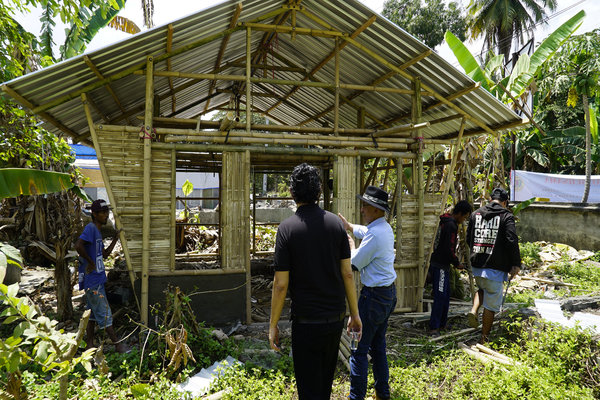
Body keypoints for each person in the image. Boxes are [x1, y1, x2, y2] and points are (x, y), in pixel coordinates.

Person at [269, 163, 362, 400]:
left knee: (308, 389)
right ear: (319, 192)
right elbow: (347, 273)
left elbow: (280, 285)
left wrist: (273, 324)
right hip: (334, 320)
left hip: (306, 322)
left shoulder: (286, 230)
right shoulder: (336, 226)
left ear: (292, 193)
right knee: (324, 385)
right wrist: (355, 313)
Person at [338, 186, 397, 400]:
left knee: (359, 350)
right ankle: (383, 392)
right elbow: (366, 231)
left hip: (373, 299)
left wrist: (351, 245)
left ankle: (356, 397)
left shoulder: (377, 235)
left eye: (365, 206)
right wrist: (350, 227)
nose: (362, 209)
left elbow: (354, 263)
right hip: (387, 295)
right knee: (378, 346)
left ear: (375, 209)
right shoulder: (384, 229)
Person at [466, 188, 521, 343]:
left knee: (483, 289)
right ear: (504, 202)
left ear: (490, 199)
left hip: (477, 266)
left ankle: (474, 310)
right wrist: (516, 263)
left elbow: (468, 238)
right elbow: (511, 240)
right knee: (491, 306)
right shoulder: (506, 216)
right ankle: (484, 339)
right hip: (495, 268)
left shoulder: (475, 214)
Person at [75, 199, 128, 353]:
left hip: (96, 279)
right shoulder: (91, 228)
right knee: (105, 313)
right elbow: (78, 245)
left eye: (107, 212)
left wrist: (115, 239)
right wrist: (90, 263)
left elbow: (104, 255)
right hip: (93, 281)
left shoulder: (97, 232)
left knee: (92, 315)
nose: (106, 215)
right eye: (103, 213)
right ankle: (118, 345)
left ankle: (90, 344)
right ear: (94, 214)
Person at [429, 200, 472, 336]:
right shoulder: (451, 225)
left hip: (441, 264)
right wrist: (456, 262)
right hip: (441, 265)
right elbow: (448, 248)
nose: (463, 220)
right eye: (464, 217)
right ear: (459, 213)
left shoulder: (445, 220)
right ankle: (434, 327)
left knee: (445, 295)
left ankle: (441, 324)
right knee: (441, 296)